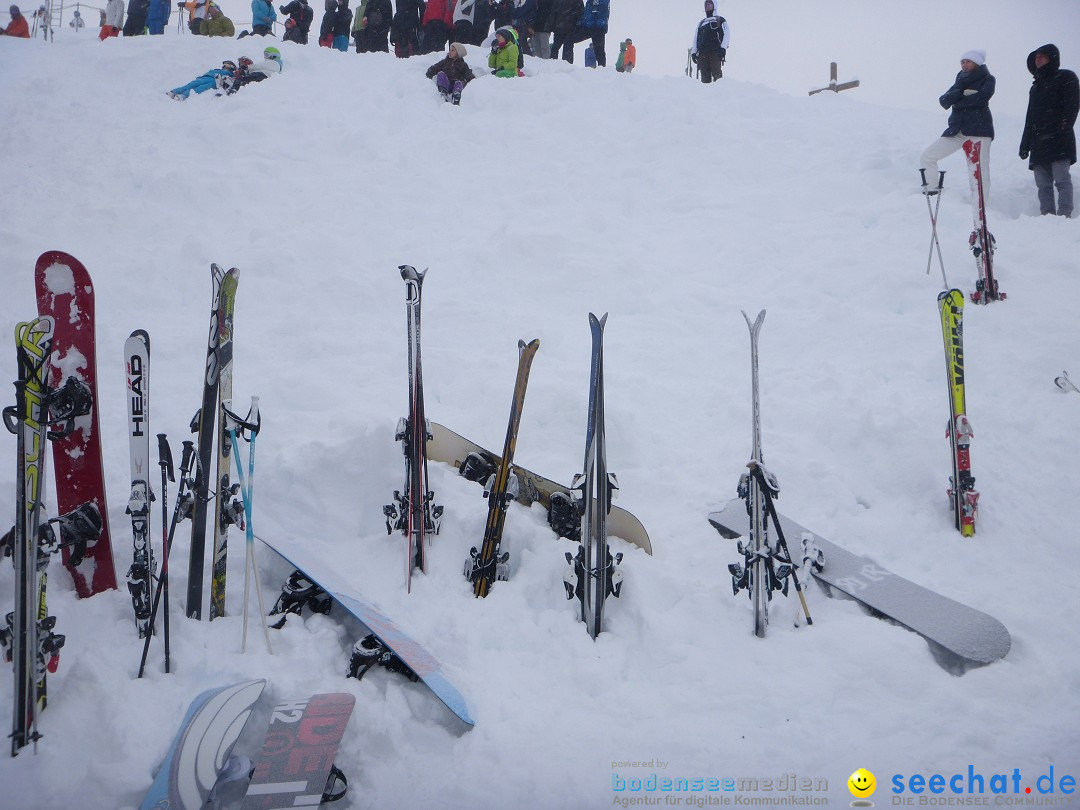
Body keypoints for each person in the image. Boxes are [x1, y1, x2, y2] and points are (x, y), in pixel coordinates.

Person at [919, 50, 995, 201]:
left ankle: (981, 208)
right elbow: (944, 101)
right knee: (927, 156)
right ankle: (932, 193)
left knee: (979, 172)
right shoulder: (959, 80)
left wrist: (958, 99)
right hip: (956, 130)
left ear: (977, 63)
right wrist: (963, 92)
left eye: (968, 61)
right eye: (962, 61)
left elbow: (981, 99)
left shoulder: (988, 78)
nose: (964, 64)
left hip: (979, 130)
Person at [1020, 44, 1079, 217]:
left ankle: (1065, 216)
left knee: (1062, 180)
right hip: (1038, 142)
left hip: (1059, 139)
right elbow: (1030, 117)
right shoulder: (1035, 87)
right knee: (1043, 185)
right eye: (1036, 57)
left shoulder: (1066, 77)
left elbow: (1073, 104)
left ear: (1052, 58)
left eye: (1042, 56)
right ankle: (1047, 217)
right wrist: (1025, 143)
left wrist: (1064, 127)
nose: (1038, 59)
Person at [690, 0, 728, 83]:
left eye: (710, 4)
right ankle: (705, 94)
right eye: (706, 5)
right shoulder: (701, 23)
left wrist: (723, 48)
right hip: (702, 54)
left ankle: (719, 92)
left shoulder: (720, 20)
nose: (707, 7)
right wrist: (693, 52)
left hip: (715, 52)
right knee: (704, 77)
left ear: (714, 5)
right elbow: (696, 38)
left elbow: (727, 34)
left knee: (717, 75)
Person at [167, 58, 238, 99]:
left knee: (201, 88)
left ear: (231, 66)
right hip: (205, 77)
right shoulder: (217, 69)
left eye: (226, 64)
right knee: (190, 85)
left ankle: (183, 95)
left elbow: (230, 81)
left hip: (214, 81)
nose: (224, 66)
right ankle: (174, 92)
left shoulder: (231, 73)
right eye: (224, 64)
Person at [577, 0, 607, 67]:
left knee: (599, 49)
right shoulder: (590, 1)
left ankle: (602, 68)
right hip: (589, 25)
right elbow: (587, 12)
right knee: (571, 38)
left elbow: (603, 10)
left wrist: (600, 22)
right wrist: (582, 22)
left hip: (597, 27)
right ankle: (601, 66)